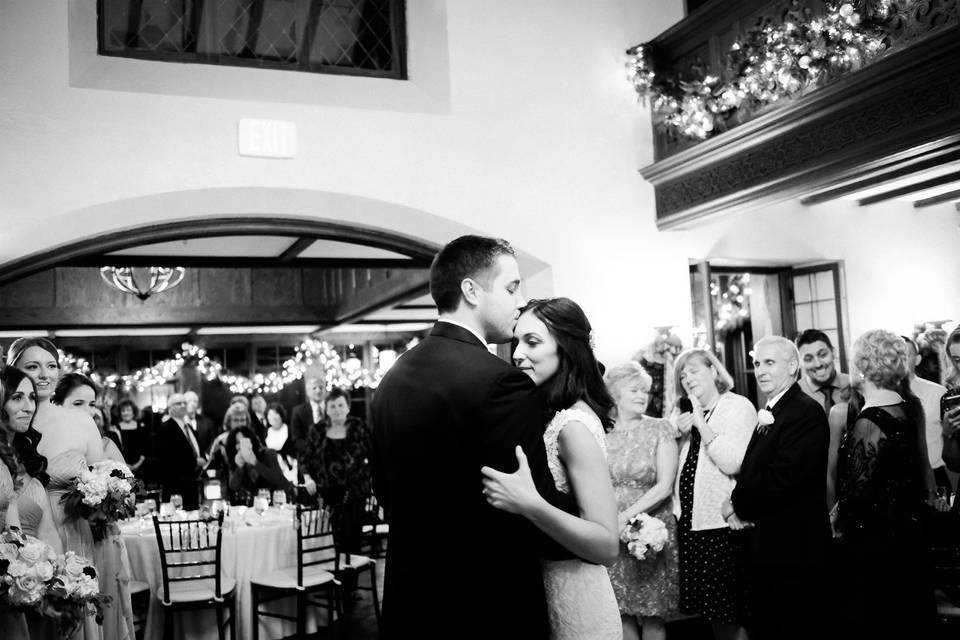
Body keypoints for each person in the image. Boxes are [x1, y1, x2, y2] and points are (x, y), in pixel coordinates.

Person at [370, 235, 581, 639]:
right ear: (471, 290)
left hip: (411, 599)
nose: (521, 301)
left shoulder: (392, 379)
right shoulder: (500, 382)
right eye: (512, 287)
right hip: (485, 605)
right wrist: (596, 520)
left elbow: (385, 492)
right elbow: (528, 508)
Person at [481, 297, 621, 639]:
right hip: (550, 595)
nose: (516, 353)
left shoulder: (572, 426)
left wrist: (531, 504)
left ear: (566, 348)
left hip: (579, 605)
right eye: (517, 341)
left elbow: (606, 546)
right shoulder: (551, 415)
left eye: (532, 341)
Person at [726, 336, 830, 640]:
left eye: (769, 362)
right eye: (757, 363)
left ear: (793, 365)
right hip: (771, 545)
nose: (760, 370)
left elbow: (784, 479)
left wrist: (735, 503)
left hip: (794, 548)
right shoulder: (777, 409)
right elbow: (755, 469)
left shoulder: (804, 412)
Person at [835, 330, 937, 637]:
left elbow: (858, 494)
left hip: (878, 545)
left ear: (864, 365)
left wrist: (837, 520)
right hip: (908, 536)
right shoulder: (909, 406)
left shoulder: (869, 421)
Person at [7, 337, 103, 640]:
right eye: (33, 367)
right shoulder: (15, 426)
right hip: (22, 535)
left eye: (51, 366)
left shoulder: (79, 421)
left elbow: (100, 476)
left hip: (72, 532)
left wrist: (105, 494)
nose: (44, 374)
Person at [672, 349, 754, 640]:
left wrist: (700, 425)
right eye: (683, 375)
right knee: (711, 612)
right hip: (694, 526)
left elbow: (734, 462)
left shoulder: (736, 406)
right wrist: (680, 435)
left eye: (693, 371)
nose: (687, 379)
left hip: (722, 527)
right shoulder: (695, 413)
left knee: (731, 611)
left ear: (714, 372)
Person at [603, 362, 678, 640]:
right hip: (610, 527)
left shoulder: (660, 429)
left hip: (649, 526)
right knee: (620, 609)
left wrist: (627, 517)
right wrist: (610, 520)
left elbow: (664, 486)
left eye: (645, 391)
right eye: (634, 390)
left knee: (652, 610)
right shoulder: (602, 431)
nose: (642, 396)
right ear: (615, 394)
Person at [300, 387, 372, 551]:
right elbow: (305, 459)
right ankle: (335, 575)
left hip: (355, 492)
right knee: (332, 540)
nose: (337, 410)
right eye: (332, 406)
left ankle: (350, 574)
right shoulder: (317, 430)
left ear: (348, 406)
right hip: (328, 493)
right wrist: (308, 479)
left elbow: (373, 454)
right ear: (326, 409)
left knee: (352, 540)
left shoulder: (359, 427)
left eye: (340, 405)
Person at [0, 366, 61, 553]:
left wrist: (61, 575)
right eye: (17, 398)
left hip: (38, 570)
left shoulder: (27, 458)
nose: (29, 408)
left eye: (32, 398)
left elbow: (49, 532)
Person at [903, 336, 952, 501]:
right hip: (901, 479)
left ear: (917, 360)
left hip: (936, 474)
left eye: (906, 354)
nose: (900, 359)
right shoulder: (883, 397)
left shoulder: (937, 393)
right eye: (895, 354)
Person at [52, 372, 126, 463]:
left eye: (92, 404)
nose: (88, 411)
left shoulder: (106, 445)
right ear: (57, 405)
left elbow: (128, 477)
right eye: (78, 403)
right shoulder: (47, 445)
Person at [155, 392, 204, 510]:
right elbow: (167, 458)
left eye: (184, 403)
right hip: (176, 485)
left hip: (193, 481)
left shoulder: (189, 427)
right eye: (178, 403)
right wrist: (194, 462)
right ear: (170, 407)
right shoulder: (166, 428)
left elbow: (196, 449)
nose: (183, 405)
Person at [224, 426, 291, 502]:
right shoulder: (235, 460)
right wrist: (239, 468)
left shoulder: (268, 454)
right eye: (237, 443)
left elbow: (280, 480)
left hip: (275, 504)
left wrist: (255, 463)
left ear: (251, 441)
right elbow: (233, 487)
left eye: (244, 441)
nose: (240, 446)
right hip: (252, 507)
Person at [796, 329, 851, 414]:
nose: (818, 364)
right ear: (800, 363)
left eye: (823, 355)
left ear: (834, 353)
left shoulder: (853, 385)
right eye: (808, 359)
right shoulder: (795, 395)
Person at [291, 377, 325, 456]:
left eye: (321, 387)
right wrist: (314, 451)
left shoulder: (332, 409)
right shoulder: (298, 411)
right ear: (308, 392)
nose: (318, 390)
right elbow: (296, 439)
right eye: (314, 388)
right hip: (309, 457)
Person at [263, 402, 297, 482]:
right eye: (270, 414)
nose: (273, 417)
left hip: (291, 470)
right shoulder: (266, 432)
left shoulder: (290, 430)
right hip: (272, 471)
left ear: (281, 415)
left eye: (276, 413)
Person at [115, 399, 146, 474]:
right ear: (120, 413)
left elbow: (145, 447)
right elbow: (116, 450)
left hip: (140, 465)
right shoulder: (116, 428)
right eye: (123, 411)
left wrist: (137, 465)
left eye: (129, 410)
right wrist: (125, 465)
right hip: (121, 466)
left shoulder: (141, 426)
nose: (126, 413)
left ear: (133, 412)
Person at [184, 391, 215, 455]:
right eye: (189, 401)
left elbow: (212, 441)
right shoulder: (178, 422)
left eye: (195, 401)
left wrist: (206, 456)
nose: (192, 404)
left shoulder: (207, 422)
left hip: (204, 459)